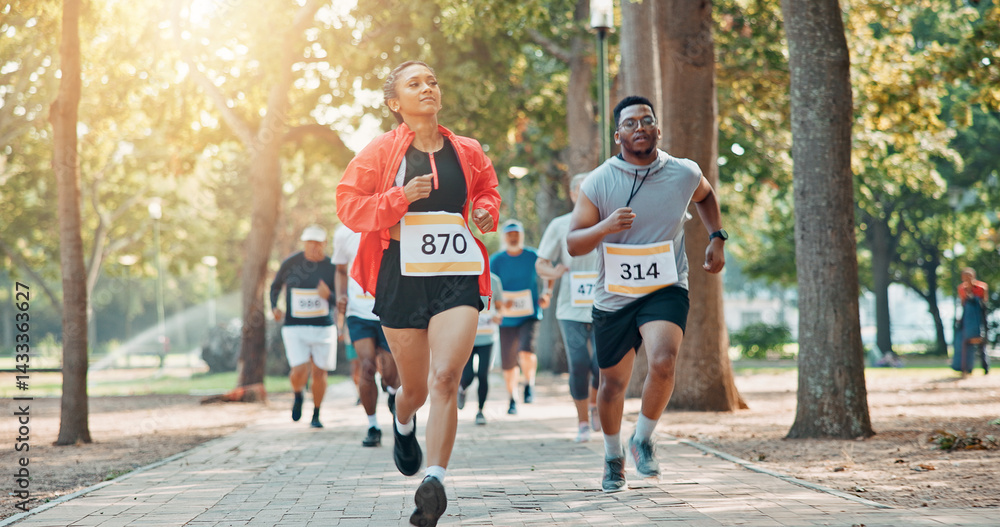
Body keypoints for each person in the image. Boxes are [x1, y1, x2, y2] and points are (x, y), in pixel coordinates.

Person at [336, 60, 500, 527]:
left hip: (457, 272)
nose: (427, 87)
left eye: (432, 80)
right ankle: (401, 417)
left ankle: (435, 480)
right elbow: (348, 203)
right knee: (414, 389)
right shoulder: (380, 151)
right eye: (415, 83)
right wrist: (400, 198)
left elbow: (487, 189)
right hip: (400, 277)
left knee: (446, 376)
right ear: (395, 103)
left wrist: (485, 212)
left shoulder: (465, 149)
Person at [567, 95, 726, 492]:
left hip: (665, 285)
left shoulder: (683, 172)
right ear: (617, 134)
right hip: (614, 295)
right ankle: (611, 455)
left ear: (657, 129)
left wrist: (716, 237)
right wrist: (604, 227)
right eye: (630, 123)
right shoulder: (600, 180)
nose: (639, 127)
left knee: (663, 360)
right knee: (612, 386)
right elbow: (574, 243)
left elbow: (705, 195)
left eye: (647, 120)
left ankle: (643, 438)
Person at [536, 172, 602, 442]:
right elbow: (541, 263)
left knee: (601, 364)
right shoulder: (560, 225)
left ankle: (595, 404)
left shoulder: (608, 222)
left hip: (604, 304)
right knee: (578, 364)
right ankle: (583, 422)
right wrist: (555, 272)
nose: (586, 194)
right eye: (581, 190)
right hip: (569, 308)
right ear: (574, 194)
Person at [332, 223, 401, 447]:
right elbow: (341, 270)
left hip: (390, 309)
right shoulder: (344, 232)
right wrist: (341, 296)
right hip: (358, 313)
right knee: (367, 365)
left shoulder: (394, 223)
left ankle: (392, 392)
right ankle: (373, 426)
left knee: (391, 373)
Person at [270, 224, 339, 429]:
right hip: (294, 326)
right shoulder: (291, 263)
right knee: (299, 369)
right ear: (304, 243)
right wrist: (275, 307)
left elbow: (344, 298)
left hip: (323, 328)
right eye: (309, 242)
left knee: (320, 373)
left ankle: (316, 414)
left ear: (325, 244)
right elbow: (275, 286)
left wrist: (330, 297)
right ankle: (298, 394)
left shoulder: (332, 266)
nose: (313, 246)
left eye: (317, 243)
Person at [490, 220, 550, 415]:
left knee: (526, 350)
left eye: (516, 234)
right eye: (509, 234)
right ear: (504, 237)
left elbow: (548, 274)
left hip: (529, 314)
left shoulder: (532, 256)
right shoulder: (497, 260)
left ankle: (529, 383)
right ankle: (512, 399)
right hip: (506, 317)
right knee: (508, 362)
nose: (513, 237)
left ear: (521, 235)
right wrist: (497, 306)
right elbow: (487, 287)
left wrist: (546, 293)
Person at [458, 273, 503, 425]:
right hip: (467, 337)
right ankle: (462, 389)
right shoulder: (462, 278)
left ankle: (480, 411)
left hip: (487, 337)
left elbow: (499, 307)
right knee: (468, 375)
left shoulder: (495, 281)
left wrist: (499, 316)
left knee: (483, 375)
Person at [953, 267, 989, 376]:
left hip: (979, 316)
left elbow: (984, 302)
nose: (966, 279)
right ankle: (966, 367)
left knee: (981, 342)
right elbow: (963, 303)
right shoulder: (961, 289)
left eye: (969, 276)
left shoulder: (981, 287)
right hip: (968, 316)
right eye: (964, 277)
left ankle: (985, 368)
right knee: (964, 341)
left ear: (973, 276)